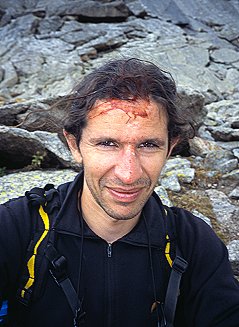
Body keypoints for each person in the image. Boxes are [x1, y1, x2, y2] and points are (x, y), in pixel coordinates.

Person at [0, 58, 239, 327]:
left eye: (148, 145)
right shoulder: (16, 229)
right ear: (74, 145)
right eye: (107, 143)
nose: (129, 174)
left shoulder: (194, 243)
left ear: (170, 149)